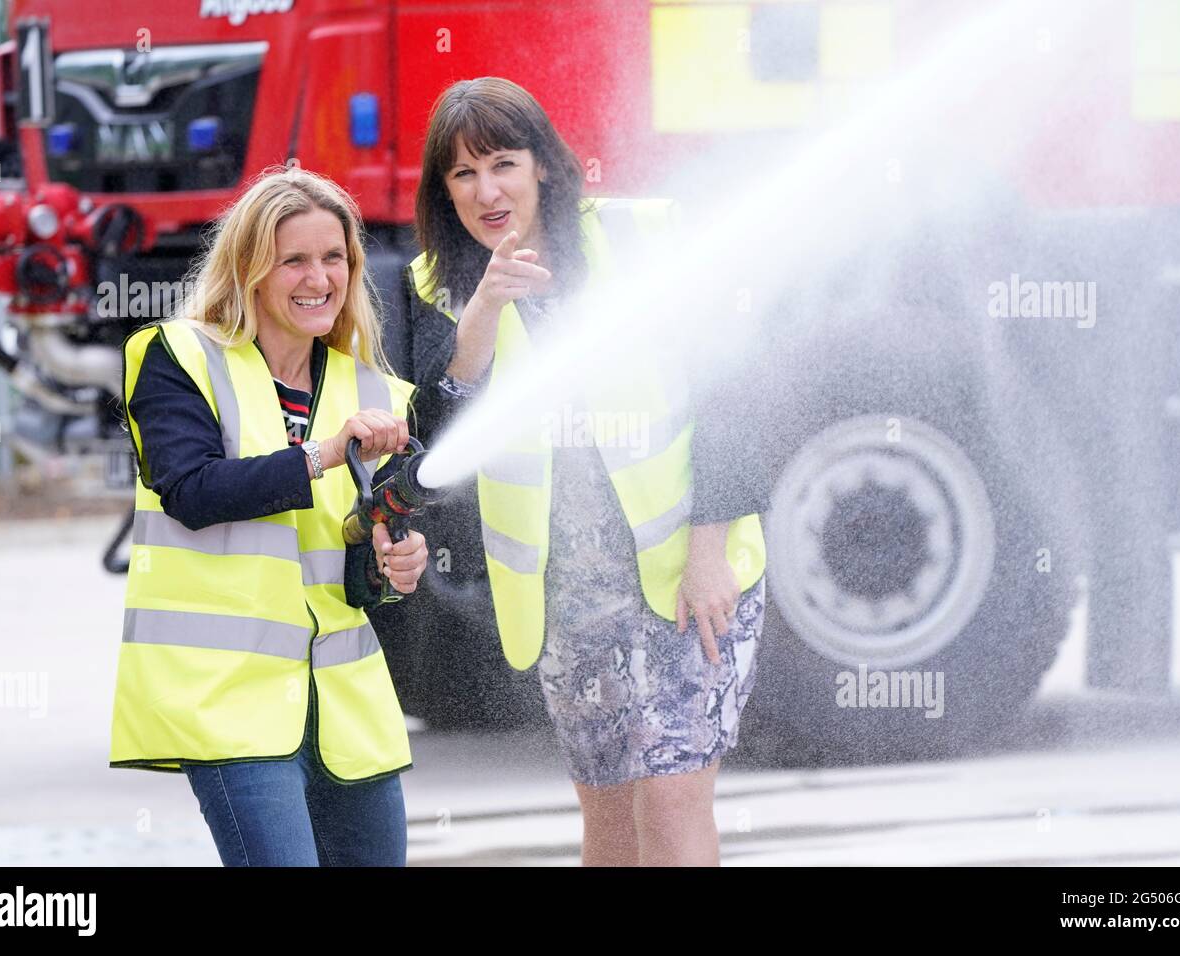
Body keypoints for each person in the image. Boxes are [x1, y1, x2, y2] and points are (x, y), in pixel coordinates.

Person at [400, 77, 768, 866]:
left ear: (543, 165)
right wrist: (484, 314)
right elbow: (435, 438)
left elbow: (737, 389)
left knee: (670, 801)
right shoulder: (437, 289)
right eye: (462, 174)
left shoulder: (643, 237)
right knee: (606, 819)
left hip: (682, 578)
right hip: (568, 598)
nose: (486, 190)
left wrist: (708, 552)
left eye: (502, 162)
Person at [108, 167, 429, 867]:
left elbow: (350, 565)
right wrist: (321, 454)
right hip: (228, 707)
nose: (320, 277)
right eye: (294, 260)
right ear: (249, 268)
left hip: (344, 709)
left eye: (334, 257)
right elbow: (192, 491)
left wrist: (394, 563)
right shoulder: (178, 357)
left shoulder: (371, 387)